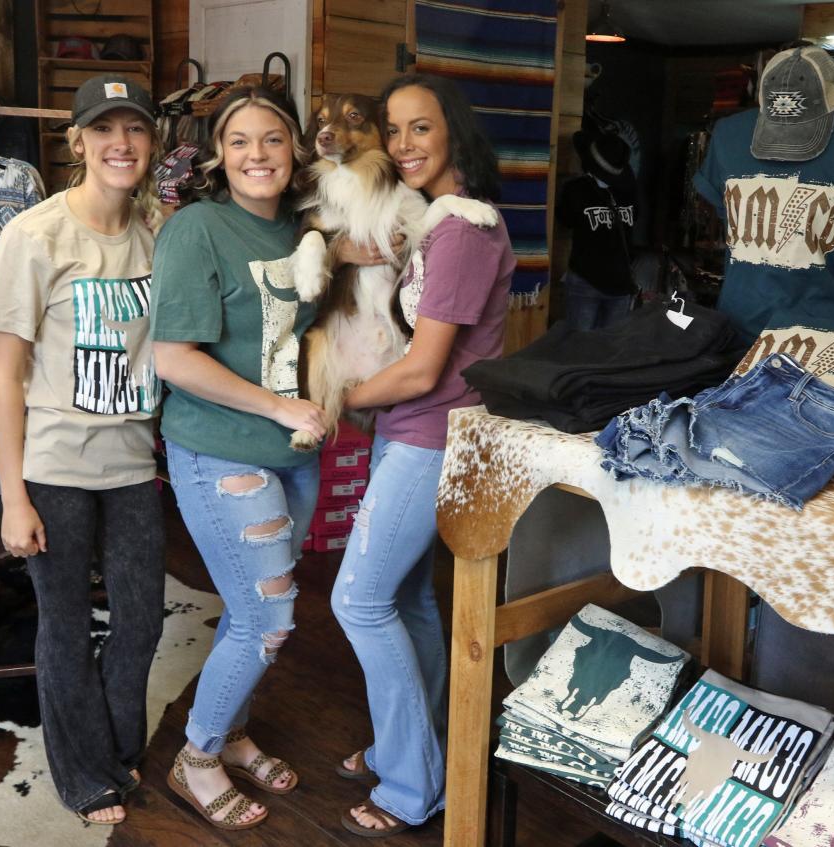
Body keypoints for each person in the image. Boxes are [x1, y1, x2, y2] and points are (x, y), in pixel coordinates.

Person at [331, 73, 515, 836]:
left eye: (421, 128)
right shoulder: (436, 222)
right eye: (394, 130)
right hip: (414, 431)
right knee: (408, 599)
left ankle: (414, 784)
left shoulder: (465, 232)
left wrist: (335, 400)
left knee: (358, 599)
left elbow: (422, 369)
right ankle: (416, 744)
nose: (404, 145)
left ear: (454, 133)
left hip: (430, 435)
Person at [0, 75, 165, 825]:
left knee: (142, 618)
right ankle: (85, 773)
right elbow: (3, 374)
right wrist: (13, 496)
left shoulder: (160, 230)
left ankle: (117, 743)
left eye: (134, 130)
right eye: (104, 130)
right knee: (64, 621)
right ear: (79, 142)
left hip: (132, 462)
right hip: (54, 463)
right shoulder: (35, 234)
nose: (120, 144)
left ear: (152, 144)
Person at [149, 85, 325, 830]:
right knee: (270, 616)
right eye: (241, 141)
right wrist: (280, 405)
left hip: (295, 453)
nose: (259, 154)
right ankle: (195, 758)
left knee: (252, 615)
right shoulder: (197, 228)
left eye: (274, 139)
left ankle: (232, 731)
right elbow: (173, 358)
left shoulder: (307, 228)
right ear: (219, 155)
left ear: (295, 150)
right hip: (220, 448)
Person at [556, 128, 637, 330]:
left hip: (586, 277)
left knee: (579, 349)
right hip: (621, 281)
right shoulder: (629, 191)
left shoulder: (575, 189)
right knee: (608, 353)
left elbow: (565, 220)